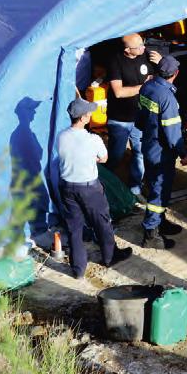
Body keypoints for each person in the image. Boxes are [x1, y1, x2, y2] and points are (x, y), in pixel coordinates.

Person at [56, 98, 133, 278]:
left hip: (67, 187)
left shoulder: (61, 136)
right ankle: (109, 257)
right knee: (102, 223)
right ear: (83, 118)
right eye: (88, 113)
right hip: (89, 189)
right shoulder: (93, 139)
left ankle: (78, 269)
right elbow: (104, 158)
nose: (91, 114)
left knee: (74, 229)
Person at [135, 55, 187, 249]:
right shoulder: (167, 97)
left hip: (149, 145)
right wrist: (182, 153)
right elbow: (172, 132)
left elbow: (140, 118)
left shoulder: (147, 87)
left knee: (155, 185)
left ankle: (160, 221)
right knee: (159, 191)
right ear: (175, 73)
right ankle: (150, 234)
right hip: (162, 152)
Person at [105, 33, 161, 200]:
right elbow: (119, 92)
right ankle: (107, 187)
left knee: (140, 153)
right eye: (139, 46)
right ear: (128, 49)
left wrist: (160, 63)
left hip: (140, 117)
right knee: (116, 155)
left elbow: (163, 77)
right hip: (120, 119)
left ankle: (135, 189)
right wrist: (144, 86)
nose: (144, 48)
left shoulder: (146, 55)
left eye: (143, 44)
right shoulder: (115, 61)